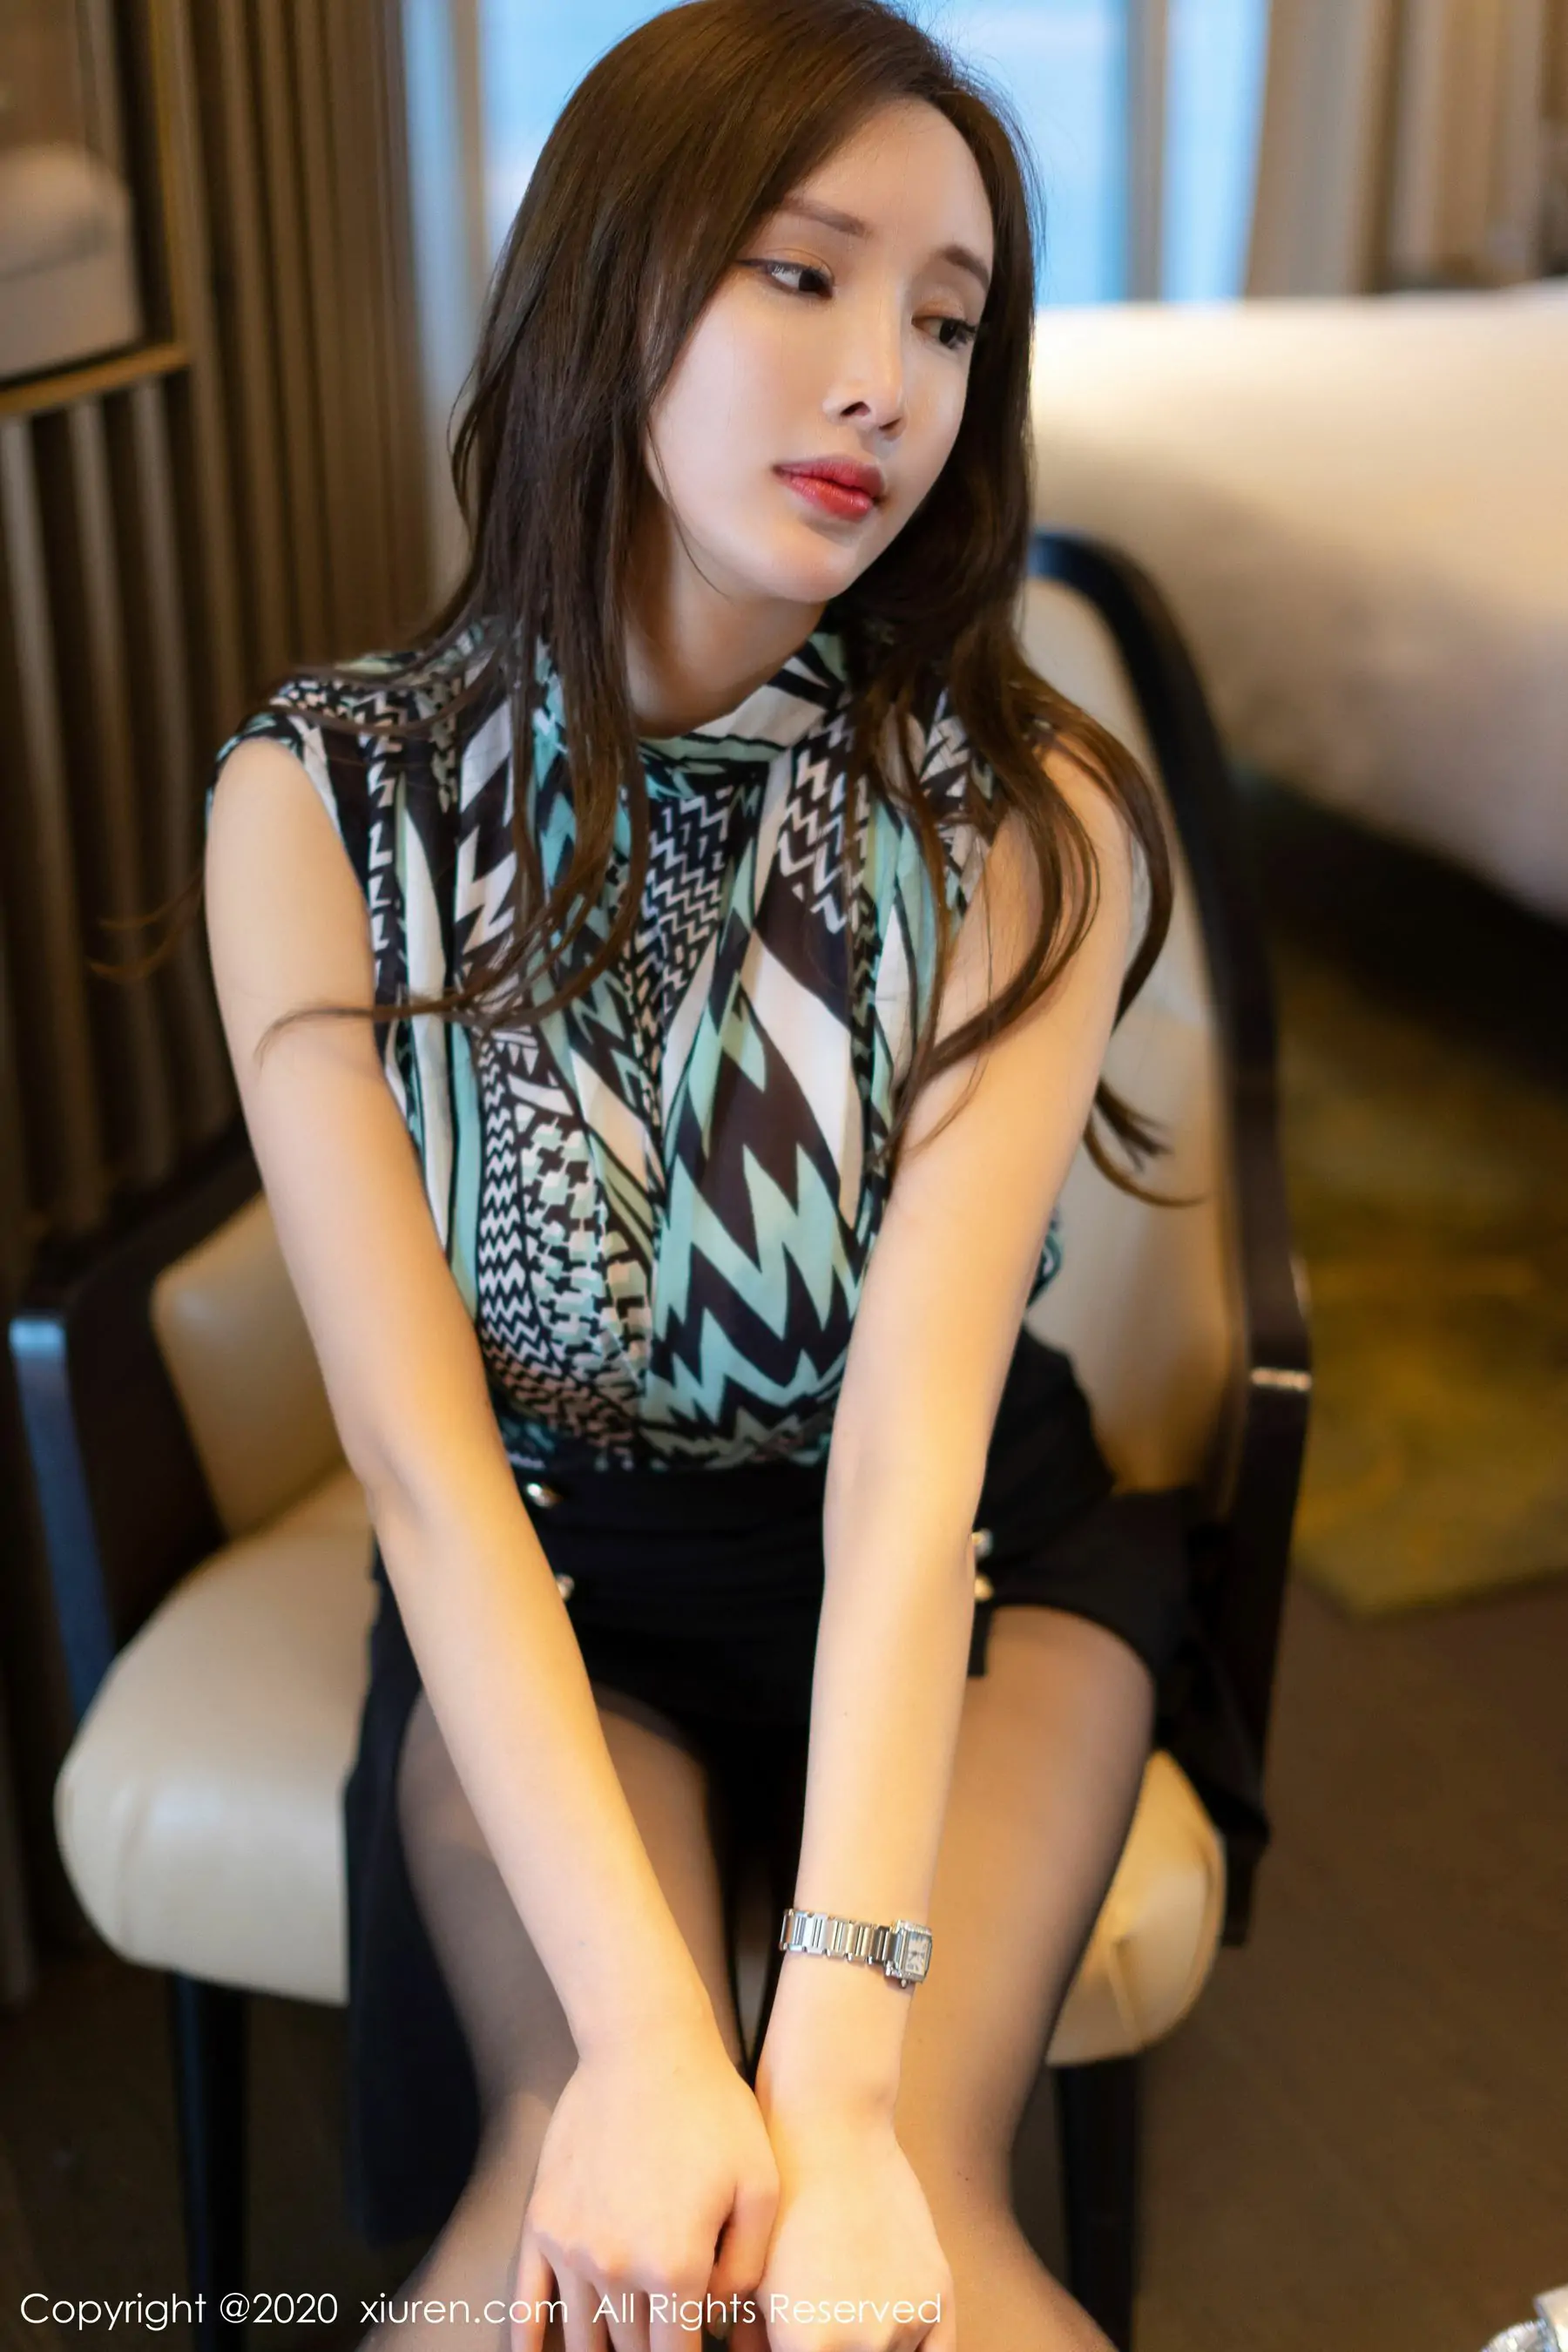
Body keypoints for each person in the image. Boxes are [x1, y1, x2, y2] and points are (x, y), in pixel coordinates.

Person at [201, 2, 1191, 2344]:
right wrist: (658, 2047)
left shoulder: (1024, 822)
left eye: (947, 320)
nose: (886, 383)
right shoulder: (321, 805)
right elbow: (424, 1474)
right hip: (561, 1584)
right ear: (608, 282)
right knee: (567, 2223)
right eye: (803, 273)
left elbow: (910, 1465)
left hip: (971, 1572)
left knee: (913, 2224)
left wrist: (829, 2087)